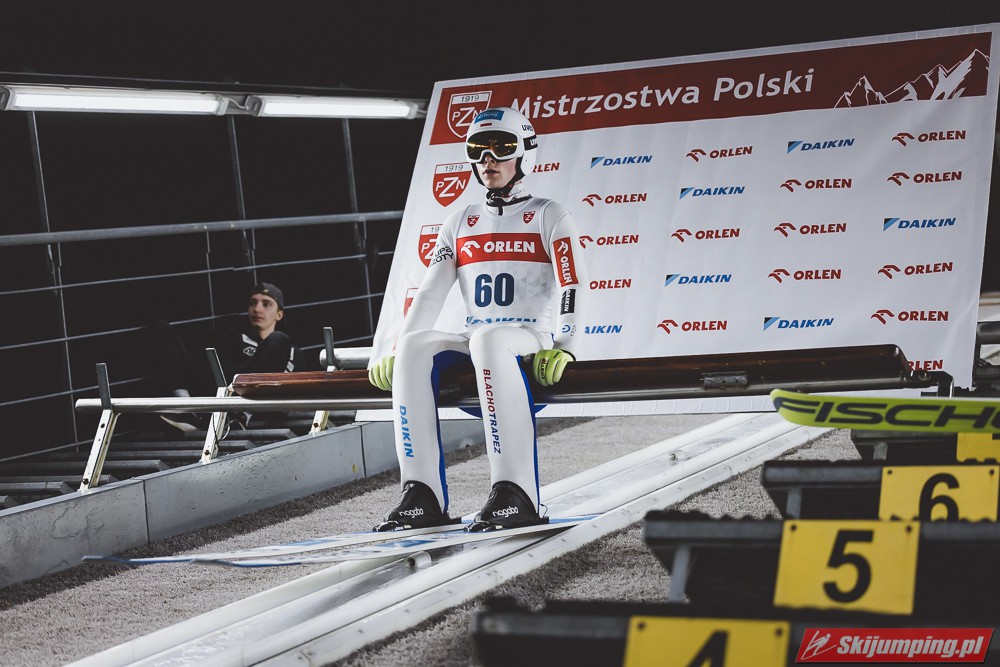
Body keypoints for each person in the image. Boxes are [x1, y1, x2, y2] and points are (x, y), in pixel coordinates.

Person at [368, 106, 589, 532]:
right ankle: (421, 494)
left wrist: (566, 347)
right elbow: (430, 294)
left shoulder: (550, 214)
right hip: (481, 340)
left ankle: (516, 494)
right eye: (478, 150)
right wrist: (395, 350)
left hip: (529, 338)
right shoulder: (461, 221)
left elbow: (572, 284)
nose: (488, 159)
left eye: (501, 148)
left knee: (488, 339)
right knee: (415, 346)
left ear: (524, 153)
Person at [150, 282, 301, 432]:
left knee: (279, 339)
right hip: (219, 394)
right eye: (252, 303)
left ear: (279, 314)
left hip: (260, 410)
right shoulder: (233, 336)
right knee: (160, 327)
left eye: (266, 304)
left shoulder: (292, 351)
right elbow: (217, 372)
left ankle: (240, 416)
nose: (257, 309)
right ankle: (186, 410)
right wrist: (253, 367)